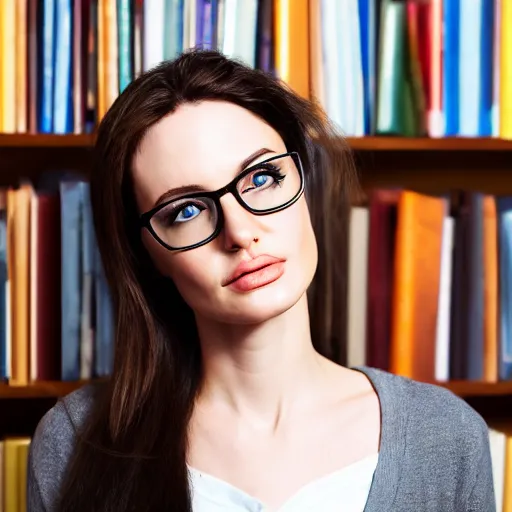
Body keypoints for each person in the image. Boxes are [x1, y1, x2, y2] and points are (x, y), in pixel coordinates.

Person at [27, 49, 494, 512]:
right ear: (149, 254)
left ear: (303, 182)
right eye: (186, 211)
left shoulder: (447, 437)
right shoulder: (73, 443)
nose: (240, 232)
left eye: (262, 177)